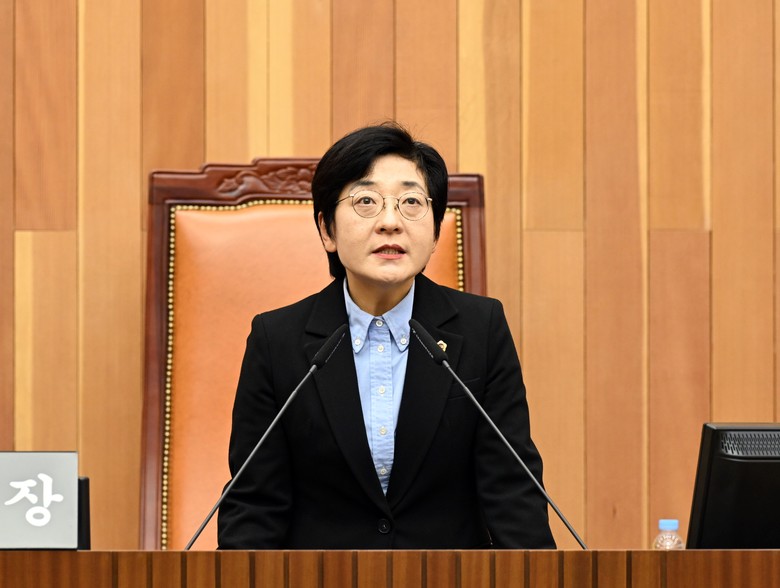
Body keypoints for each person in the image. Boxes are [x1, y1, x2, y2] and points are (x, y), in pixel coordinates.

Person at [217, 123, 555, 549]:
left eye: (411, 202)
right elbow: (254, 506)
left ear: (435, 232)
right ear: (327, 230)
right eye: (366, 202)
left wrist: (539, 574)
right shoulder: (276, 340)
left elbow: (513, 493)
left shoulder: (480, 329)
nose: (390, 222)